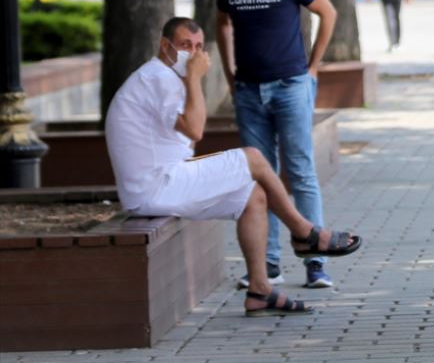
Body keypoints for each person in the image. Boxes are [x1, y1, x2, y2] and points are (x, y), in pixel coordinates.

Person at [105, 17, 362, 316]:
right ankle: (304, 232)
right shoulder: (158, 78)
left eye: (199, 46)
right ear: (165, 46)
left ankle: (259, 291)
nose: (194, 53)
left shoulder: (158, 78)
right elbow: (195, 129)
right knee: (253, 157)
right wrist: (194, 78)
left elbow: (179, 127)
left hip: (155, 185)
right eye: (185, 45)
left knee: (253, 197)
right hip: (158, 185)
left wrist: (189, 80)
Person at [216, 0, 340, 289]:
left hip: (290, 86)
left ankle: (315, 261)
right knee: (258, 178)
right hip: (249, 92)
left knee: (300, 172)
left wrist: (313, 68)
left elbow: (327, 12)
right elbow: (221, 23)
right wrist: (229, 71)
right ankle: (268, 264)